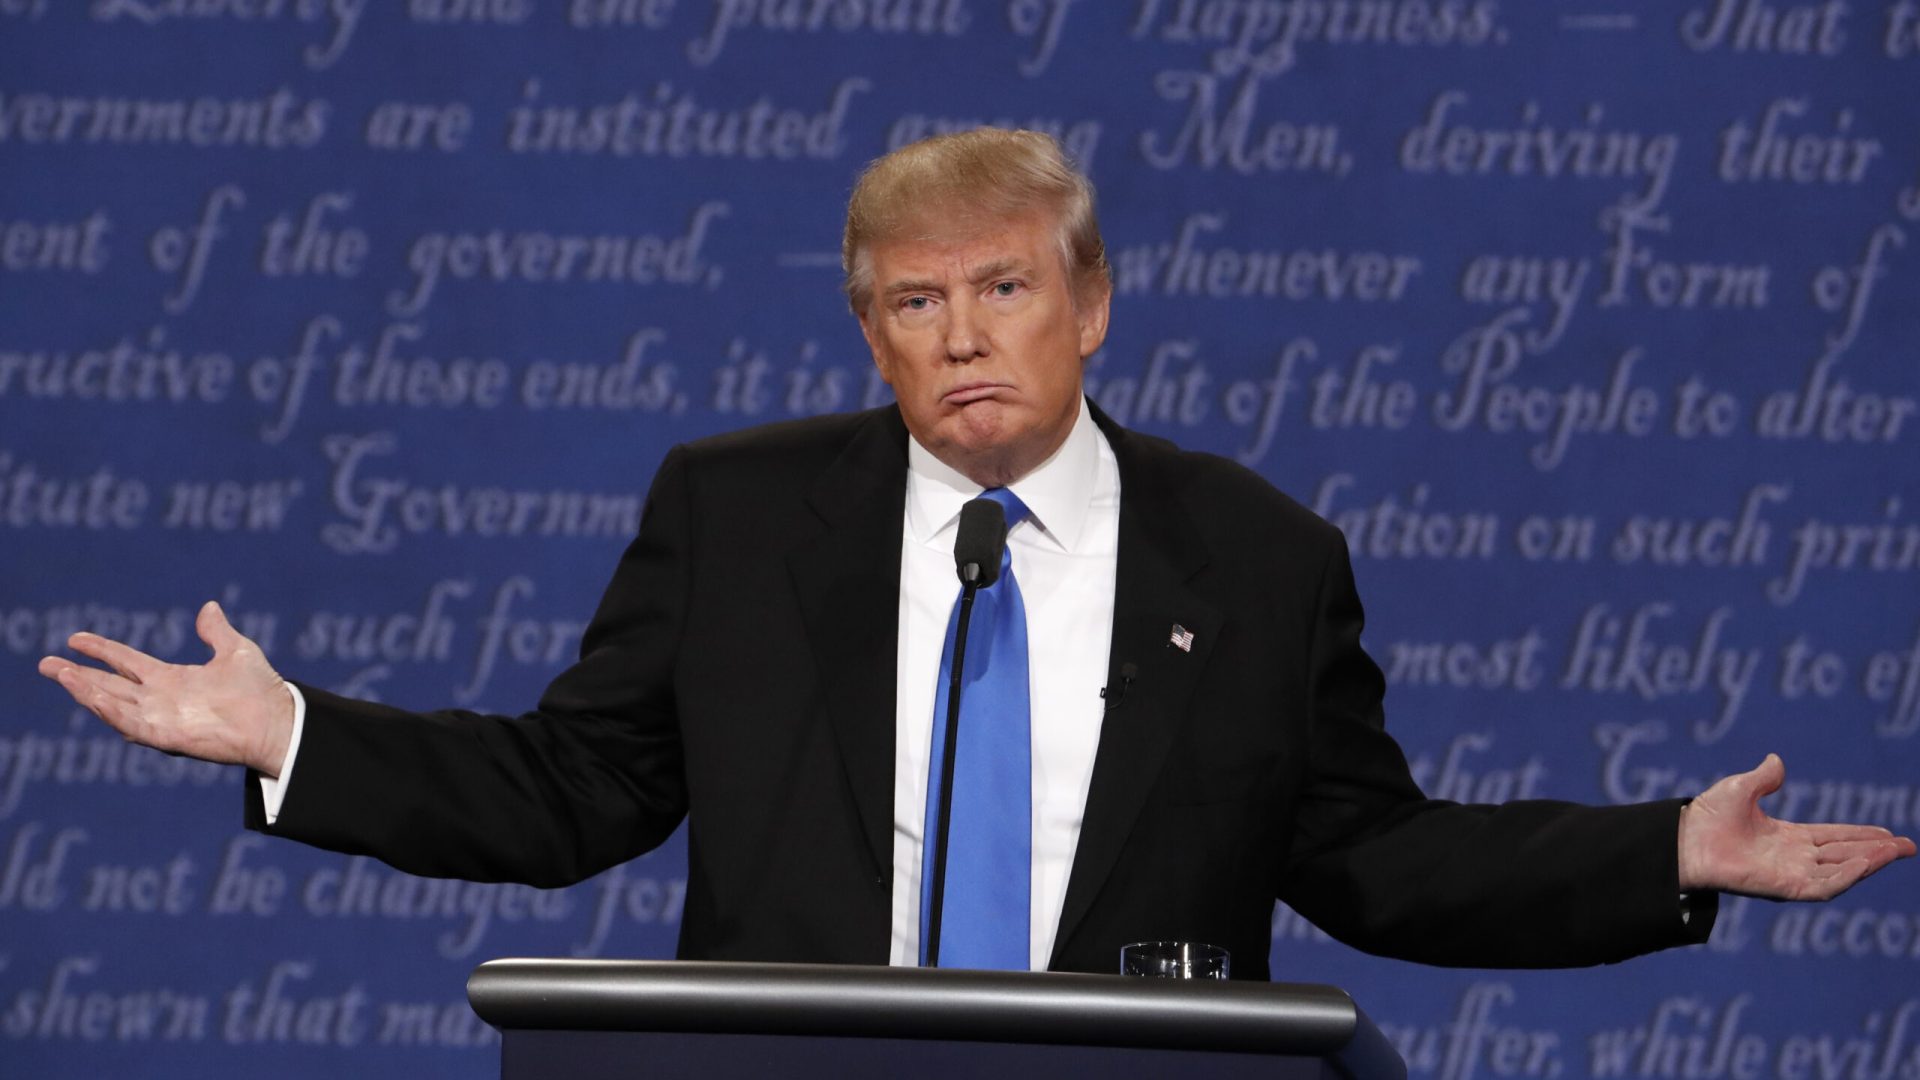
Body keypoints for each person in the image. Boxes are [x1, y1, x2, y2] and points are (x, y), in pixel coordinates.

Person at [39, 129, 1913, 978]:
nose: (956, 335)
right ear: (867, 334)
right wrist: (296, 736)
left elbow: (1374, 862)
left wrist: (1663, 853)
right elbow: (573, 794)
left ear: (1090, 303)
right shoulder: (743, 514)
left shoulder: (1257, 556)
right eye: (910, 301)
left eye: (1002, 287)